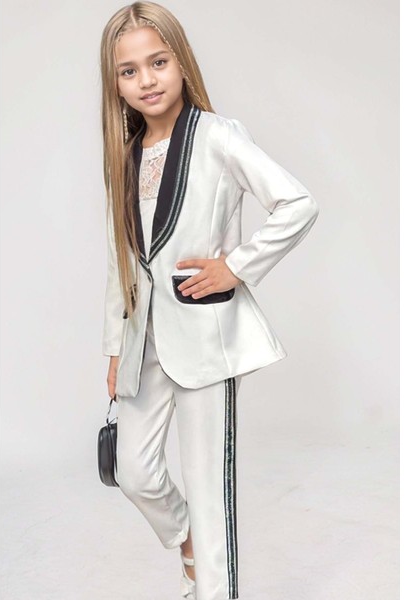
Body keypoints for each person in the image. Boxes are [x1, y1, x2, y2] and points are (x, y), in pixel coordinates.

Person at [99, 3, 319, 599]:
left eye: (158, 62)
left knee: (208, 491)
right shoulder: (125, 154)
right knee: (133, 471)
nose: (146, 80)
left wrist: (235, 268)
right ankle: (188, 545)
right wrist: (116, 346)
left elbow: (297, 204)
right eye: (128, 71)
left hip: (205, 338)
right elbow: (122, 259)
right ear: (114, 83)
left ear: (181, 62)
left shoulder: (218, 136)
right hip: (144, 341)